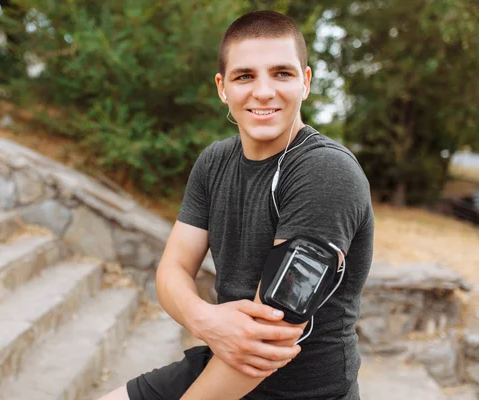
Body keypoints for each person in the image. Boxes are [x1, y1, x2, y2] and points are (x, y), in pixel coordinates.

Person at [99, 9, 374, 400]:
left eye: (282, 73)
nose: (263, 91)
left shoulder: (325, 172)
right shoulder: (214, 162)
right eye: (245, 76)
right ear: (222, 87)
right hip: (221, 358)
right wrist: (206, 320)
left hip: (302, 390)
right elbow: (173, 268)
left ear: (306, 82)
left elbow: (271, 337)